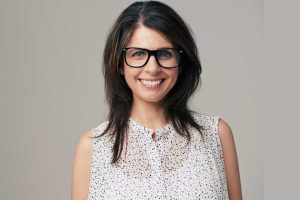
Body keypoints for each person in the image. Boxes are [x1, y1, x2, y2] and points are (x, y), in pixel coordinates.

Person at [71, 1, 242, 199]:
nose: (152, 68)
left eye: (164, 53)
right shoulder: (92, 148)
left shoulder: (216, 134)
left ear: (181, 61)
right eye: (138, 53)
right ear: (119, 64)